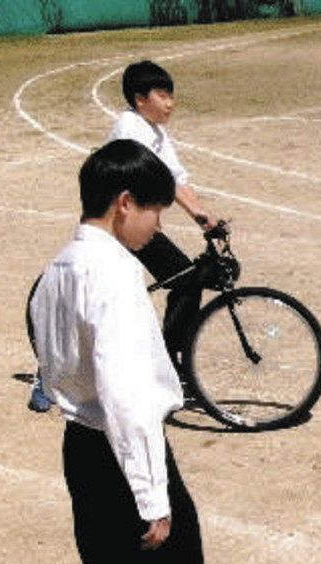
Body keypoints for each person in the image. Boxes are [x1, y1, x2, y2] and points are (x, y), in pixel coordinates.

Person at [29, 139, 209, 564]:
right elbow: (127, 396)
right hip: (119, 446)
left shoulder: (57, 268)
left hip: (82, 446)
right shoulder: (114, 275)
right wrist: (152, 496)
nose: (156, 226)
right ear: (124, 202)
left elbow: (50, 364)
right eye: (153, 211)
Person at [106, 59, 216, 367]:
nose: (171, 103)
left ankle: (174, 360)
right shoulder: (130, 128)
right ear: (140, 100)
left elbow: (176, 177)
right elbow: (150, 178)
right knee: (184, 279)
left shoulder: (154, 130)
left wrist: (201, 215)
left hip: (139, 222)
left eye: (171, 95)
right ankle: (166, 364)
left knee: (186, 278)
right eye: (162, 96)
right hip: (117, 223)